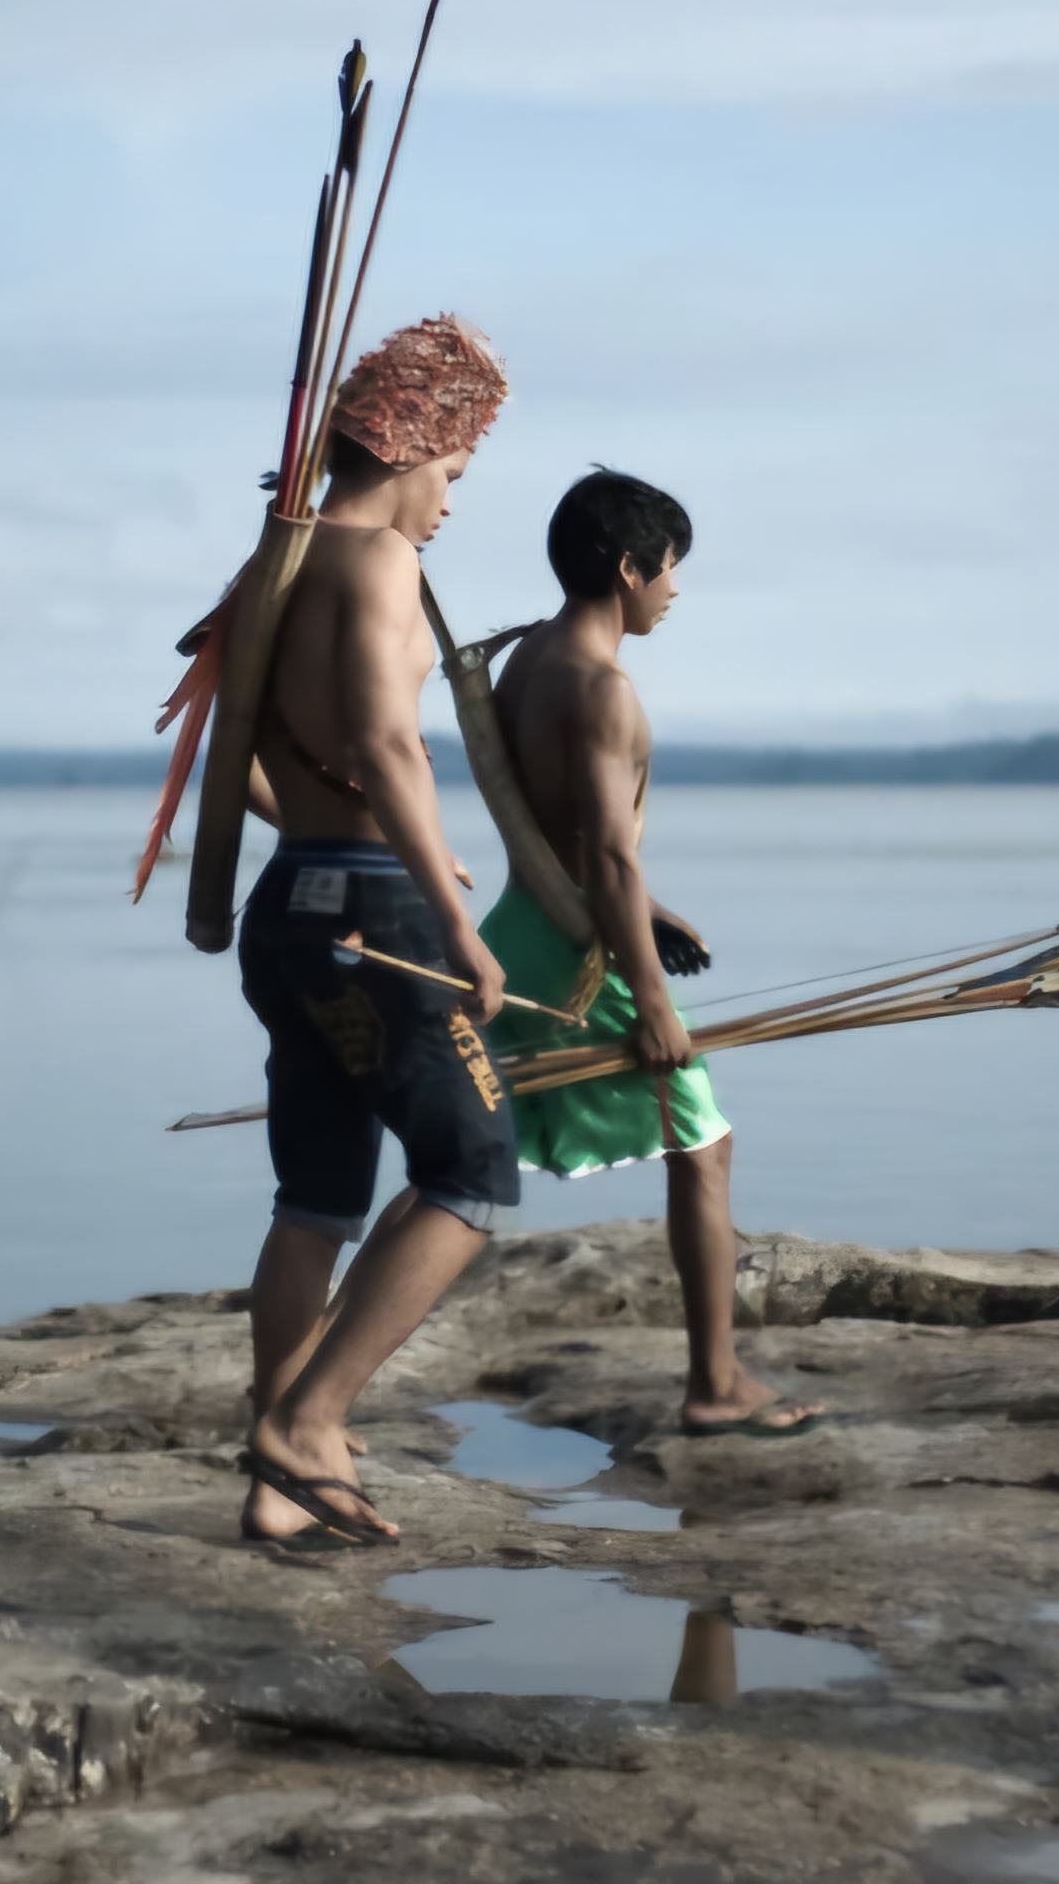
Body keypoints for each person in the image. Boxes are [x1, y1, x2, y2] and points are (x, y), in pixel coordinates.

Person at [233, 314, 517, 1547]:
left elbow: (235, 755)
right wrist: (451, 914)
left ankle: (275, 1479)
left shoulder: (276, 560)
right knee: (471, 1171)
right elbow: (389, 743)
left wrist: (336, 823)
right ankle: (309, 1424)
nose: (448, 504)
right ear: (405, 450)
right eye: (449, 474)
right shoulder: (379, 562)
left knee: (316, 1195)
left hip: (290, 905)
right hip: (374, 916)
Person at [480, 469, 823, 1437]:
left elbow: (555, 835)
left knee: (462, 1163)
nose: (673, 589)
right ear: (629, 568)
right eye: (669, 568)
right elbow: (607, 856)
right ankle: (714, 1387)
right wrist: (655, 1001)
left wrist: (651, 912)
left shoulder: (526, 659)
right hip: (580, 957)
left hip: (526, 925)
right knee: (703, 1148)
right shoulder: (601, 687)